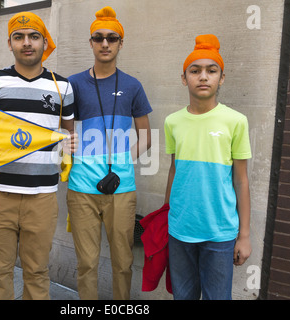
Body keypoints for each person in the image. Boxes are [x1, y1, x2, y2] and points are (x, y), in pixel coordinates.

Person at [0, 11, 76, 300]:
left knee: (37, 272)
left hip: (42, 197)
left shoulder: (62, 86)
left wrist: (68, 145)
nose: (26, 43)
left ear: (44, 42)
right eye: (19, 37)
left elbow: (67, 134)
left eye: (33, 36)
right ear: (10, 43)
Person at [66, 6, 152, 300]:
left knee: (123, 263)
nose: (105, 43)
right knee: (86, 263)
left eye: (112, 38)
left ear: (120, 43)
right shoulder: (73, 84)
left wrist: (125, 159)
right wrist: (66, 148)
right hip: (80, 189)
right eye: (99, 37)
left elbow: (146, 137)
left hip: (121, 188)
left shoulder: (132, 86)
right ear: (90, 42)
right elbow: (61, 131)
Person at [164, 34, 252, 300]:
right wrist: (166, 213)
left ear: (221, 78)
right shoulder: (173, 122)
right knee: (183, 295)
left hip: (220, 232)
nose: (203, 76)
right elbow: (174, 169)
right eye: (195, 70)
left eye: (211, 71)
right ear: (184, 78)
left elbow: (241, 181)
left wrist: (244, 235)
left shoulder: (235, 121)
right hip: (180, 229)